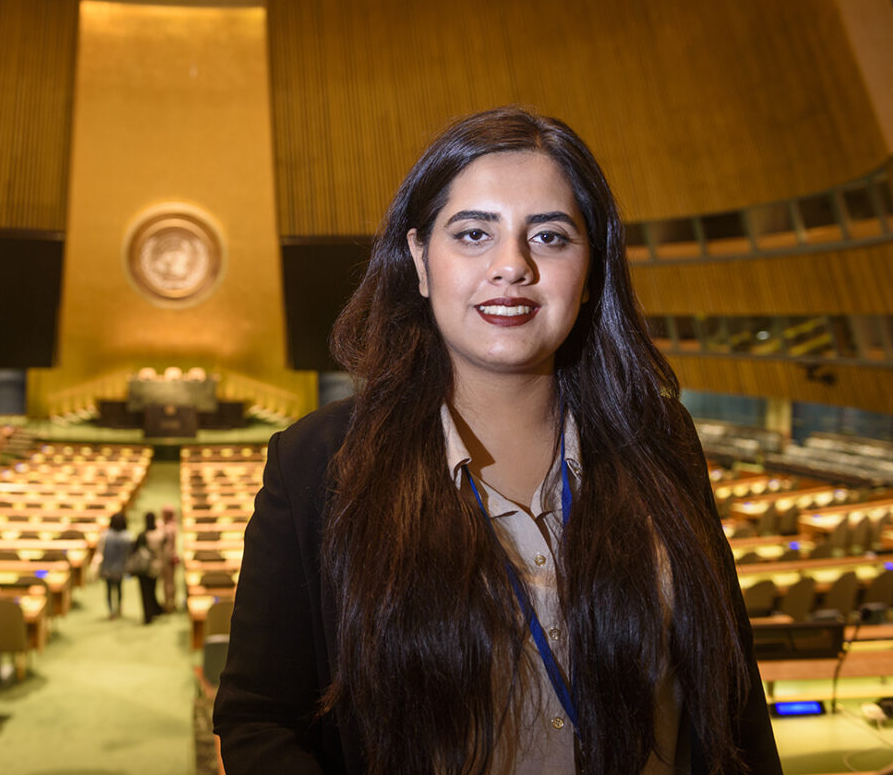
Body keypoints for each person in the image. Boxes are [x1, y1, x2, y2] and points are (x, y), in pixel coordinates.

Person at [212, 107, 781, 775]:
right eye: (474, 233)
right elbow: (259, 720)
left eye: (549, 237)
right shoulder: (316, 463)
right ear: (420, 260)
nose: (511, 266)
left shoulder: (662, 439)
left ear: (592, 269)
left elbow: (731, 696)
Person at [98, 511, 132, 619]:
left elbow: (100, 551)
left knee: (108, 589)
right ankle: (119, 608)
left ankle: (111, 611)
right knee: (119, 588)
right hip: (120, 568)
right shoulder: (128, 536)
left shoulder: (105, 535)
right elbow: (130, 553)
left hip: (107, 567)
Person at [134, 511, 166, 625]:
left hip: (144, 568)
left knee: (145, 592)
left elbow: (134, 549)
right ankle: (154, 611)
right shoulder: (160, 535)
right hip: (156, 566)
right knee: (152, 589)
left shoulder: (142, 535)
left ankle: (148, 615)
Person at [159, 504, 179, 612]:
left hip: (168, 558)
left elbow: (166, 546)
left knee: (168, 583)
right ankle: (173, 602)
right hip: (173, 555)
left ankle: (168, 605)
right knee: (172, 582)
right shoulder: (174, 525)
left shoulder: (168, 529)